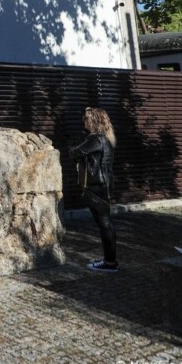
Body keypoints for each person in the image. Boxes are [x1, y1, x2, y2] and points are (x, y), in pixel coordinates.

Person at [69, 107, 118, 273]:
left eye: (86, 118)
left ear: (95, 120)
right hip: (104, 185)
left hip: (97, 186)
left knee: (104, 224)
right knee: (105, 223)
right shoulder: (105, 138)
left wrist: (75, 151)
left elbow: (75, 152)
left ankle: (110, 263)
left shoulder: (96, 139)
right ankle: (109, 260)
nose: (84, 121)